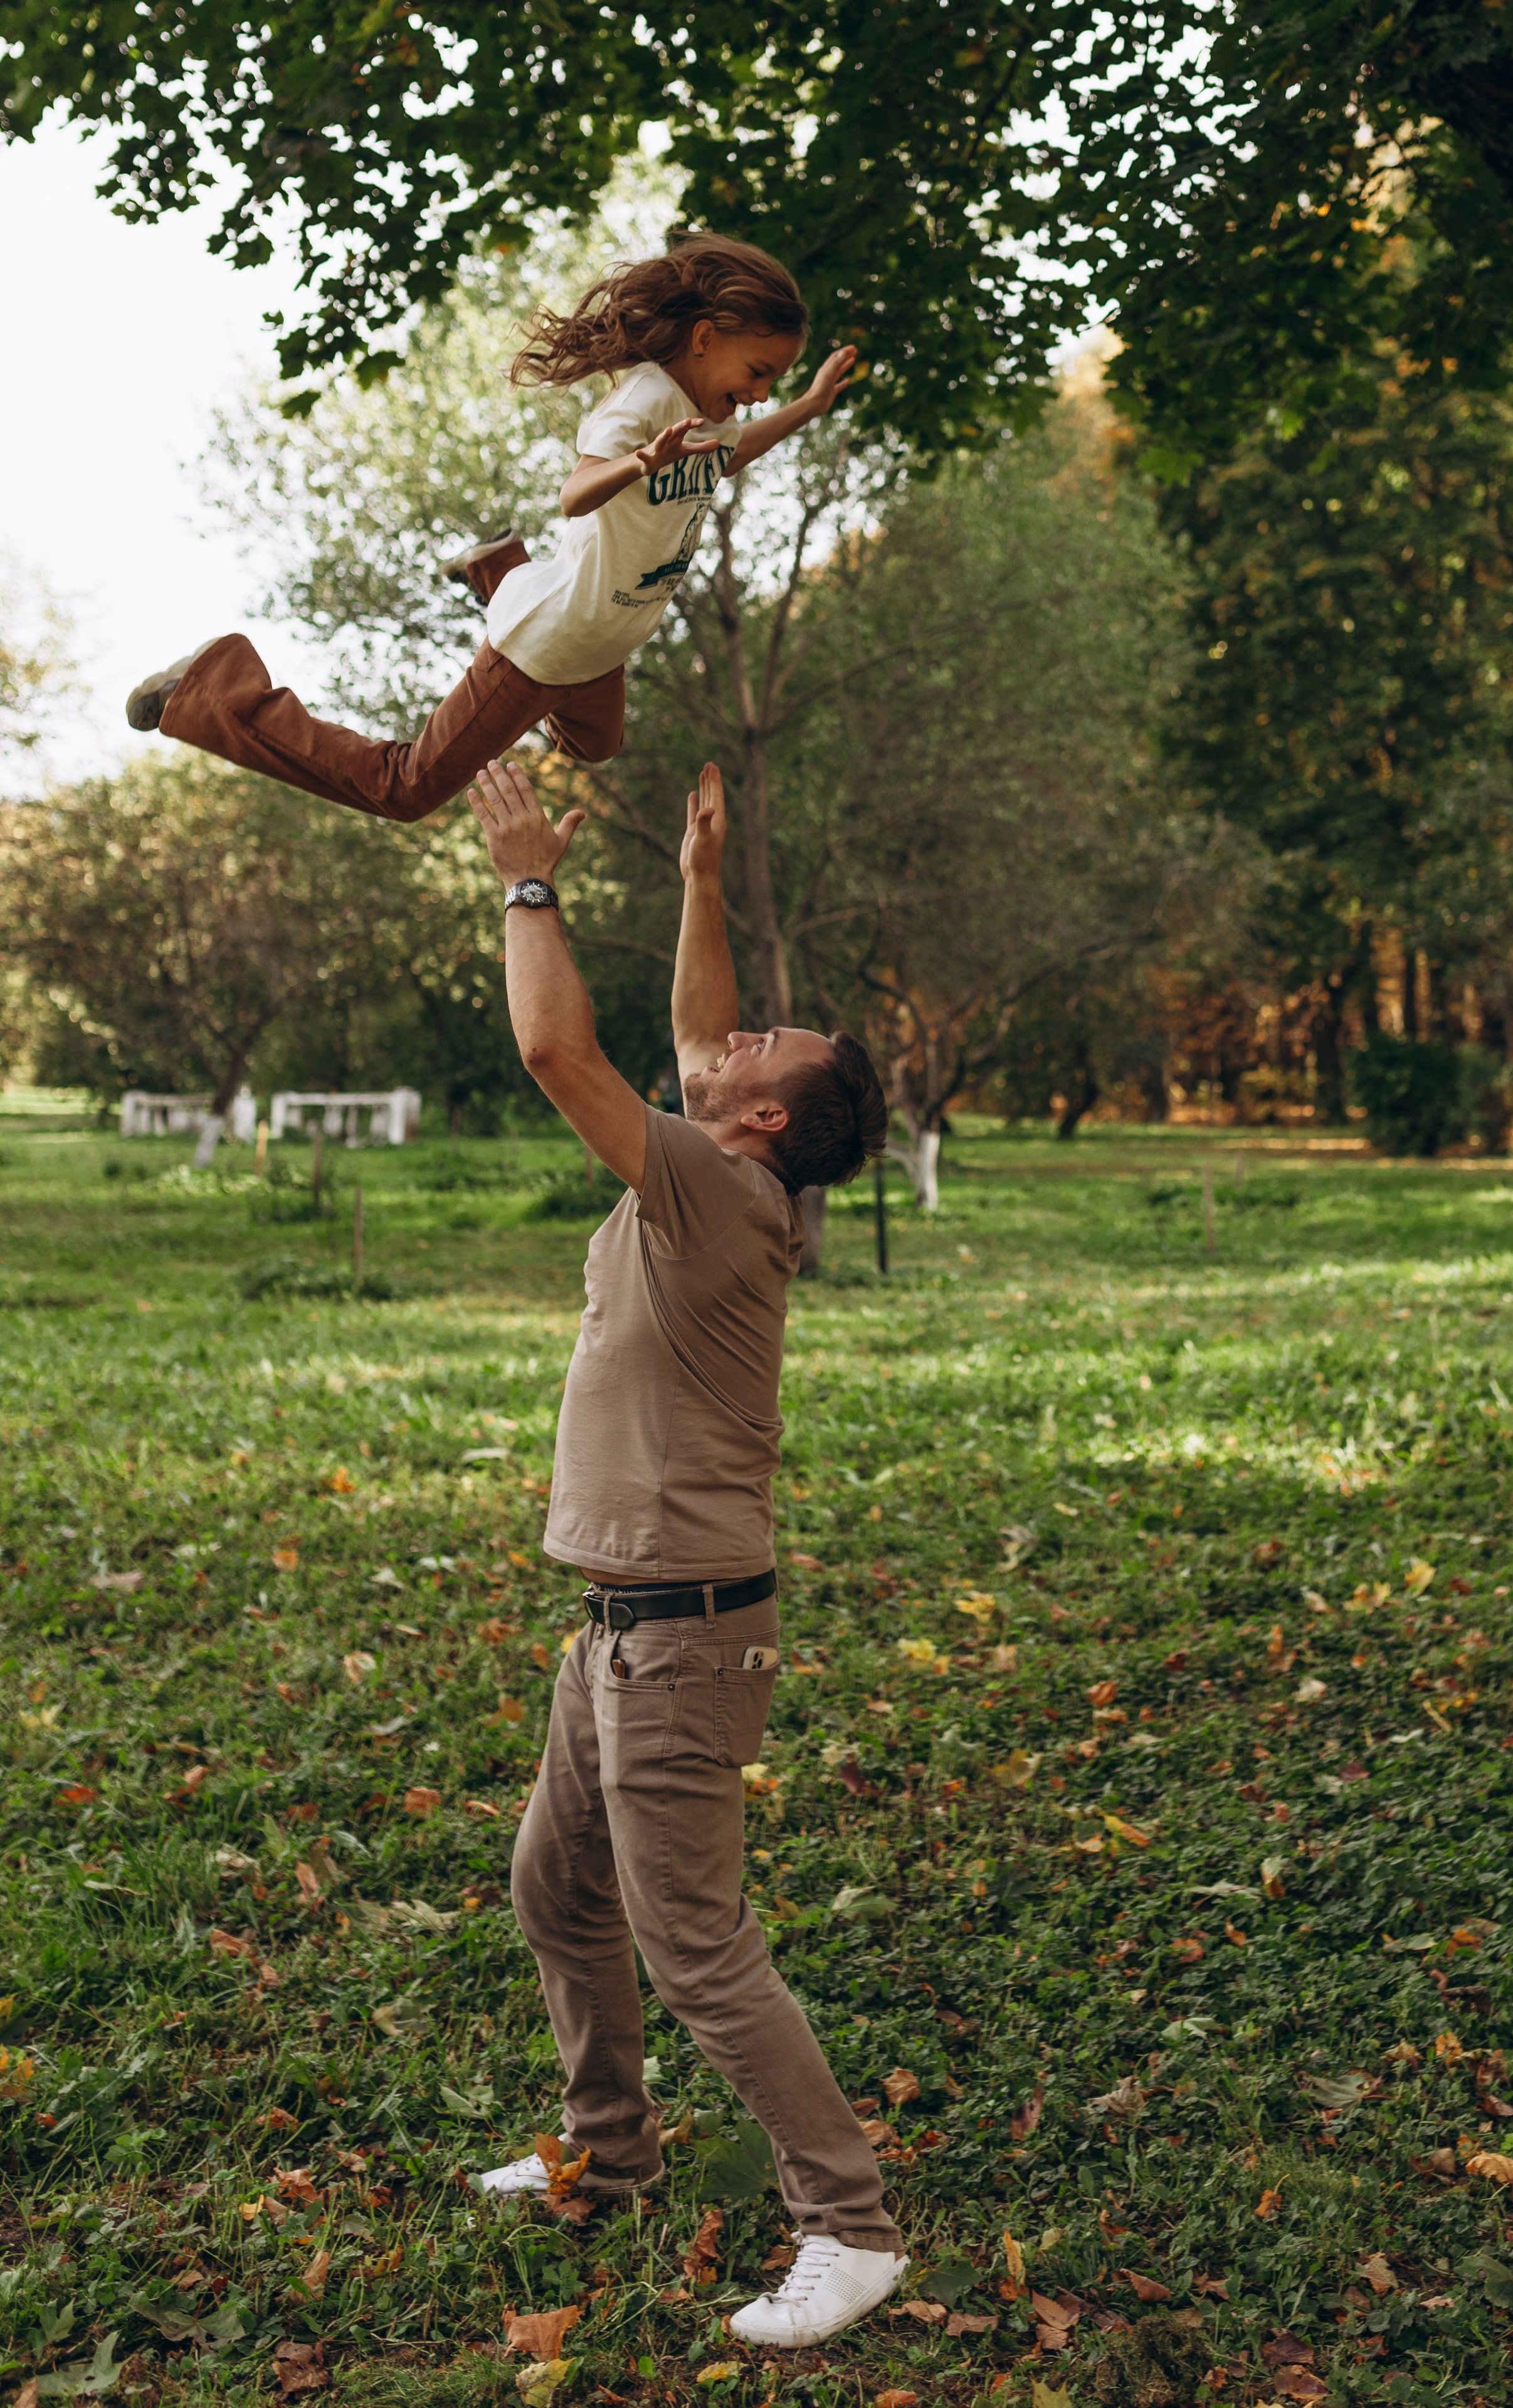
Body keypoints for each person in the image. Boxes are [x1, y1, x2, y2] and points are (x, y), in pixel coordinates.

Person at [462, 749, 905, 2350]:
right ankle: (613, 2152)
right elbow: (687, 1034)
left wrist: (526, 875)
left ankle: (848, 2225)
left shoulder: (712, 1191)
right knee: (555, 1889)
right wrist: (700, 884)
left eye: (756, 1046)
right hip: (627, 1623)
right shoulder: (732, 1171)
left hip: (680, 1633)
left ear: (764, 1111)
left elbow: (553, 1043)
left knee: (694, 1943)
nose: (726, 1039)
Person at [124, 235, 856, 822]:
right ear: (703, 339)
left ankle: (501, 568)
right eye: (759, 372)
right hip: (546, 647)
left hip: (601, 644)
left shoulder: (707, 417)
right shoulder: (640, 404)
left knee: (595, 747)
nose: (761, 394)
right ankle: (210, 690)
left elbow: (732, 456)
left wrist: (810, 407)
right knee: (404, 788)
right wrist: (637, 463)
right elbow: (575, 496)